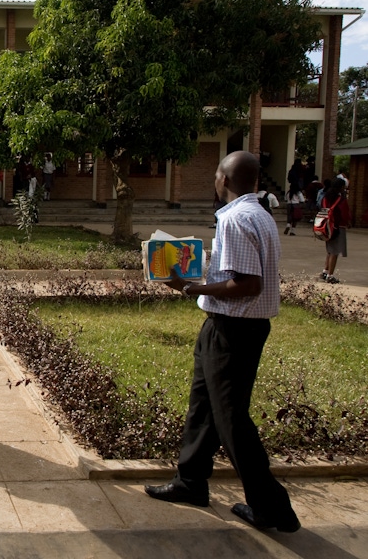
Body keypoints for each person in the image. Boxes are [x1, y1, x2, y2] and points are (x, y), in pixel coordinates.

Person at [145, 151, 300, 534]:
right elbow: (236, 268)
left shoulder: (233, 217)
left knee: (232, 420)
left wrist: (189, 287)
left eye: (216, 174)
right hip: (231, 327)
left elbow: (247, 284)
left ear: (223, 179)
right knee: (204, 406)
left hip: (234, 330)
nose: (215, 180)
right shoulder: (260, 213)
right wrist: (190, 259)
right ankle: (191, 481)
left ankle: (273, 508)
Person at [319, 177, 351, 285]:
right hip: (337, 227)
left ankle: (325, 271)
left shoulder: (325, 197)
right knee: (335, 251)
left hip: (325, 226)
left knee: (329, 250)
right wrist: (348, 223)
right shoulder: (340, 199)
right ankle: (330, 275)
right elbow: (345, 213)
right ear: (341, 187)